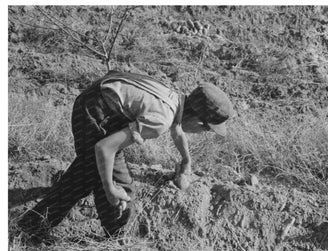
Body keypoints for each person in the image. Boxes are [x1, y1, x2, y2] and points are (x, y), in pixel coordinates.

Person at [18, 70, 234, 239]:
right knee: (109, 183)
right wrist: (110, 188)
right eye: (207, 129)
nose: (202, 133)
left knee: (93, 173)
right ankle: (113, 238)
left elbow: (177, 129)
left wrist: (186, 160)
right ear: (198, 121)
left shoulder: (175, 99)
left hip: (99, 106)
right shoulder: (161, 119)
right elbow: (104, 148)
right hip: (94, 113)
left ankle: (33, 226)